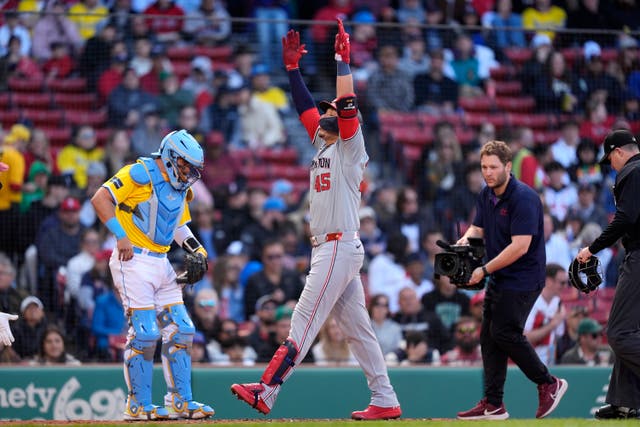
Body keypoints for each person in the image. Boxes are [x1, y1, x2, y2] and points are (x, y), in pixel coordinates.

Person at [230, 22, 402, 420]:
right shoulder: (323, 142)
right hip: (332, 245)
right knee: (359, 330)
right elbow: (306, 108)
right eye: (325, 109)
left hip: (338, 245)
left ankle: (268, 390)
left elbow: (345, 107)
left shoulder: (348, 146)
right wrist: (292, 70)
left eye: (331, 109)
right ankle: (385, 399)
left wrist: (343, 62)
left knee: (304, 319)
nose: (325, 111)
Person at [91, 129, 214, 420]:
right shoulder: (139, 173)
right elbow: (100, 198)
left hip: (161, 261)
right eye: (185, 165)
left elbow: (178, 225)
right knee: (144, 333)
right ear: (172, 156)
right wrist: (119, 236)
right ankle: (137, 404)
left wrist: (198, 251)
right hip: (131, 258)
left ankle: (180, 401)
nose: (188, 172)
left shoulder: (179, 185)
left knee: (182, 329)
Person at [456, 140, 568, 420]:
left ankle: (548, 383)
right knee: (488, 336)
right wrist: (462, 242)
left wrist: (484, 270)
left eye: (493, 167)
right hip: (501, 277)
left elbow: (520, 246)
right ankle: (493, 404)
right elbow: (477, 228)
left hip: (524, 278)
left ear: (508, 166)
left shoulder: (525, 197)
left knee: (505, 332)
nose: (488, 172)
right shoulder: (486, 194)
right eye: (484, 167)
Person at [575, 129, 640, 420]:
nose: (610, 165)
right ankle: (624, 401)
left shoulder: (631, 171)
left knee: (619, 333)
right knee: (629, 330)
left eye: (610, 159)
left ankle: (624, 400)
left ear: (618, 152)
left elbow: (625, 218)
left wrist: (593, 248)